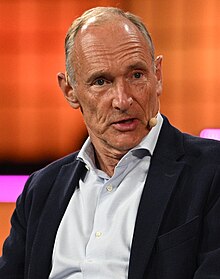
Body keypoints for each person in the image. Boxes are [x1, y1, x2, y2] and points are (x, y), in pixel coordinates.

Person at [0, 6, 220, 279]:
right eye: (101, 81)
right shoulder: (40, 191)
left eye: (136, 75)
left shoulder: (211, 172)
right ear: (70, 91)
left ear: (158, 75)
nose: (123, 100)